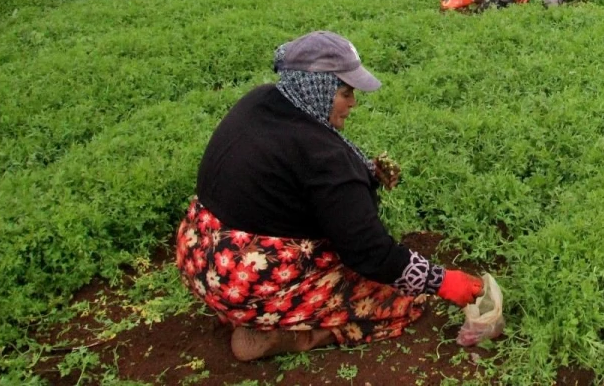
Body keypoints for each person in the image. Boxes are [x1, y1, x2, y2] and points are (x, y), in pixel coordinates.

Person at [176, 31, 486, 362]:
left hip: (198, 253)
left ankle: (248, 309)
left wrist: (363, 175)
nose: (352, 102)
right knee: (399, 299)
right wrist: (441, 281)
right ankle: (286, 333)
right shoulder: (325, 158)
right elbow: (368, 252)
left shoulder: (261, 99)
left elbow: (294, 172)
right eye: (345, 92)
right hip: (248, 281)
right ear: (318, 88)